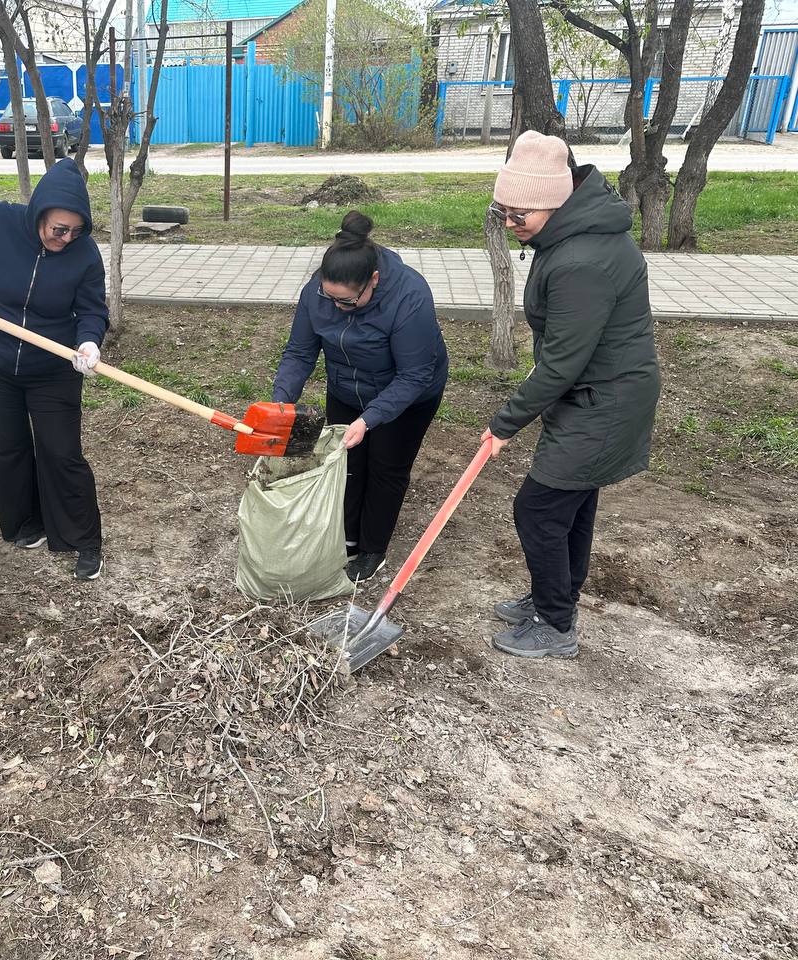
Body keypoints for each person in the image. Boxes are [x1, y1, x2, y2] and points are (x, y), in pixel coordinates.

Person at [484, 131, 660, 659]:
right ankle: (551, 596)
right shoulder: (566, 236)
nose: (512, 226)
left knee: (538, 509)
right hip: (591, 393)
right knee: (572, 503)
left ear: (555, 202)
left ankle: (556, 624)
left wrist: (504, 423)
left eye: (521, 216)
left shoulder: (581, 259)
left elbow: (562, 361)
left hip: (605, 400)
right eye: (505, 213)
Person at [0, 158, 108, 582]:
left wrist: (87, 341)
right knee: (4, 447)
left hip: (52, 366)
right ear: (39, 214)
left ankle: (83, 540)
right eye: (58, 230)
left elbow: (92, 308)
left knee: (61, 451)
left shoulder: (84, 254)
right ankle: (25, 524)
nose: (65, 239)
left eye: (75, 231)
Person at [272, 210, 449, 582]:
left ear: (373, 279)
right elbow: (300, 352)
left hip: (406, 394)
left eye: (348, 302)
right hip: (346, 387)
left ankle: (372, 549)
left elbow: (415, 373)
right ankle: (346, 538)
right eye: (329, 297)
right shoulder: (316, 293)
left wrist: (369, 419)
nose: (337, 307)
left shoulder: (409, 296)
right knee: (347, 464)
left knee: (386, 467)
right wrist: (281, 402)